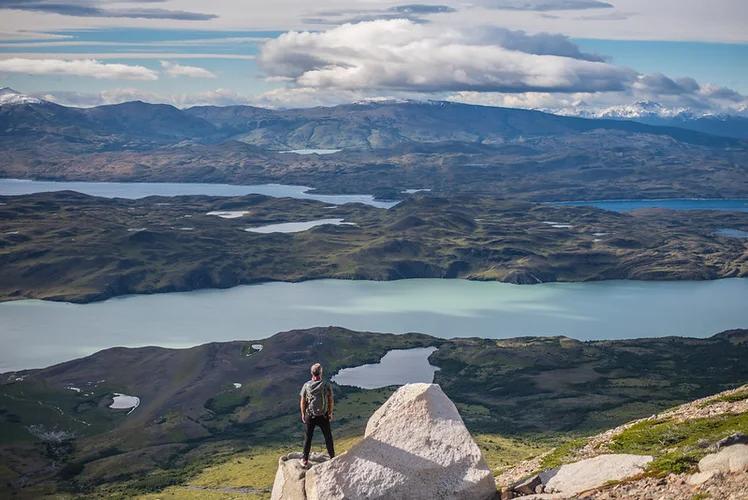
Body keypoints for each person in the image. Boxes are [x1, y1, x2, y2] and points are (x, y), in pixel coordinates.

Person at [300, 362, 335, 466]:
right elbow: (330, 400)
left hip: (310, 415)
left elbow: (303, 402)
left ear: (312, 373)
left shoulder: (306, 386)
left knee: (308, 437)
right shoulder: (325, 385)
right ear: (321, 373)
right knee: (328, 437)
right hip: (323, 416)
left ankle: (305, 459)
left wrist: (303, 414)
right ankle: (332, 456)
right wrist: (330, 412)